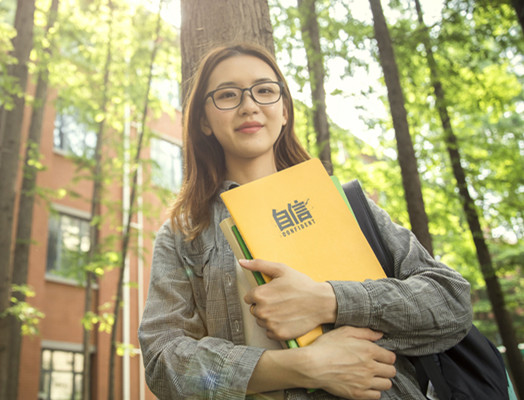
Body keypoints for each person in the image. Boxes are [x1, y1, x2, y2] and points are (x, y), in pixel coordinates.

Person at [137, 42, 473, 400]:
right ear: (204, 120)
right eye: (227, 95)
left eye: (264, 91)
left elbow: (452, 302)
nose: (249, 105)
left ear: (284, 110)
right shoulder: (184, 233)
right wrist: (308, 365)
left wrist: (327, 299)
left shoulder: (343, 204)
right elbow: (162, 360)